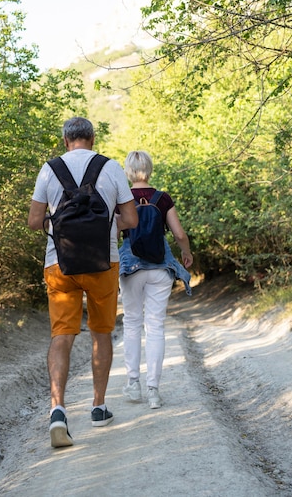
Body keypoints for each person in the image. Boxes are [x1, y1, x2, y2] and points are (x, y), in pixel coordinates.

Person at [28, 117, 138, 448]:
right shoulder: (111, 167)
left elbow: (34, 222)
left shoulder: (49, 169)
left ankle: (58, 411)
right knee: (101, 333)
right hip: (103, 263)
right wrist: (107, 219)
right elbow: (131, 219)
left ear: (65, 141)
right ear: (93, 138)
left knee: (62, 335)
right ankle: (98, 407)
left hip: (59, 263)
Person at [117, 150, 193, 410]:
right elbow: (179, 234)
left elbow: (112, 229)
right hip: (160, 266)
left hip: (131, 266)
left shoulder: (121, 197)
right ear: (149, 169)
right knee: (156, 326)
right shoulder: (162, 199)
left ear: (128, 171)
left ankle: (133, 383)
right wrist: (187, 253)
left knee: (132, 323)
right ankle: (154, 391)